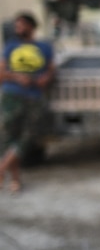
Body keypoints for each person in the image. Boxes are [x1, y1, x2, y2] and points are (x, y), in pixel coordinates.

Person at [0, 12, 55, 193]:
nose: (18, 28)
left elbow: (50, 71)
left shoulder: (44, 47)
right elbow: (1, 73)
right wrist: (17, 77)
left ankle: (2, 168)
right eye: (17, 25)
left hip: (33, 97)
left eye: (22, 24)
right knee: (9, 138)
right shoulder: (10, 47)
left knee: (27, 137)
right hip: (12, 96)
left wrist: (40, 80)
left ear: (31, 26)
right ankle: (15, 180)